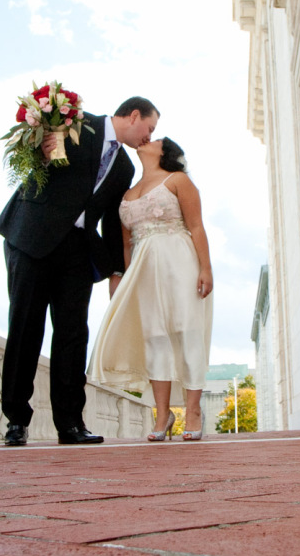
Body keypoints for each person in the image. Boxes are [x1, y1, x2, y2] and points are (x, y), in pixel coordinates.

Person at [0, 96, 160, 445]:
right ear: (134, 116)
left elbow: (113, 224)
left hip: (78, 250)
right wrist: (40, 150)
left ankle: (70, 424)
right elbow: (32, 159)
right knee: (25, 328)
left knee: (73, 335)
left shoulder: (124, 169)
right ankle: (16, 421)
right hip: (33, 236)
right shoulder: (74, 123)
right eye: (150, 127)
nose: (150, 136)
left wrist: (117, 272)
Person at [88, 136, 213, 441]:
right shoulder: (127, 193)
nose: (148, 139)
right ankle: (163, 414)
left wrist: (206, 268)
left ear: (164, 151)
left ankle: (193, 412)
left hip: (180, 262)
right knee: (154, 338)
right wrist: (127, 280)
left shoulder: (178, 180)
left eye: (156, 138)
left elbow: (196, 226)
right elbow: (127, 244)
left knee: (187, 331)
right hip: (143, 270)